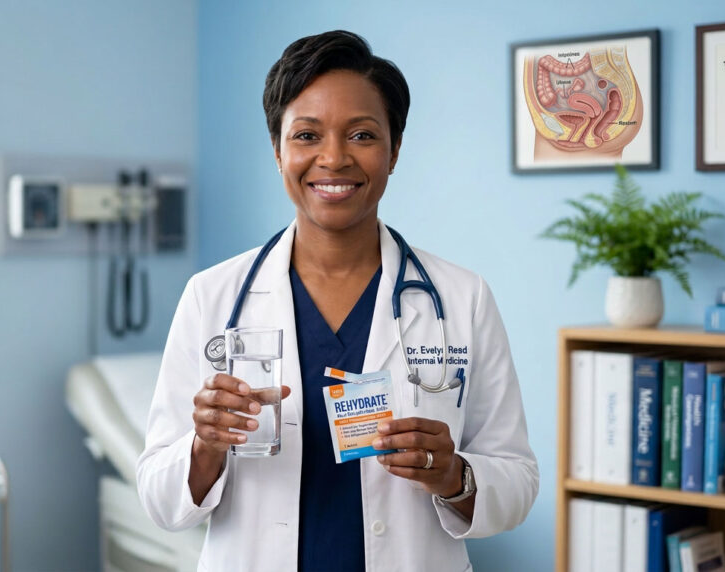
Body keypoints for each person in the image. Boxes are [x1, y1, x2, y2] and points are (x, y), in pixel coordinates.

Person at [137, 30, 538, 571]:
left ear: (394, 151)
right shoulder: (213, 296)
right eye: (306, 135)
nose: (333, 158)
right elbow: (160, 499)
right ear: (277, 150)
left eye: (362, 135)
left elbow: (516, 478)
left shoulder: (460, 298)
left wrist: (456, 476)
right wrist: (206, 446)